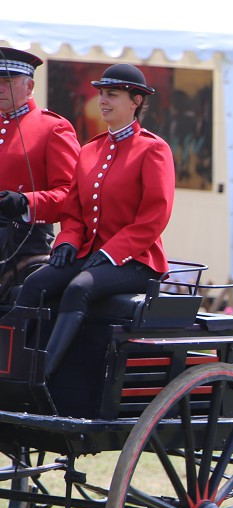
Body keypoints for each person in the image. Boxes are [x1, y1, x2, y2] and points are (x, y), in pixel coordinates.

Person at [17, 63, 174, 378]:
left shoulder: (153, 149)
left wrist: (111, 252)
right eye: (102, 93)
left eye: (112, 94)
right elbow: (74, 211)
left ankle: (43, 376)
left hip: (135, 260)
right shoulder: (89, 150)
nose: (103, 100)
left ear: (136, 101)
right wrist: (67, 242)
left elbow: (154, 216)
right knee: (35, 284)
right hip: (90, 253)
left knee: (79, 288)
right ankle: (14, 369)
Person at [0, 48, 80, 296]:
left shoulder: (53, 128)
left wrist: (25, 202)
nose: (0, 88)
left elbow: (71, 195)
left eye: (8, 82)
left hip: (23, 240)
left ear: (30, 85)